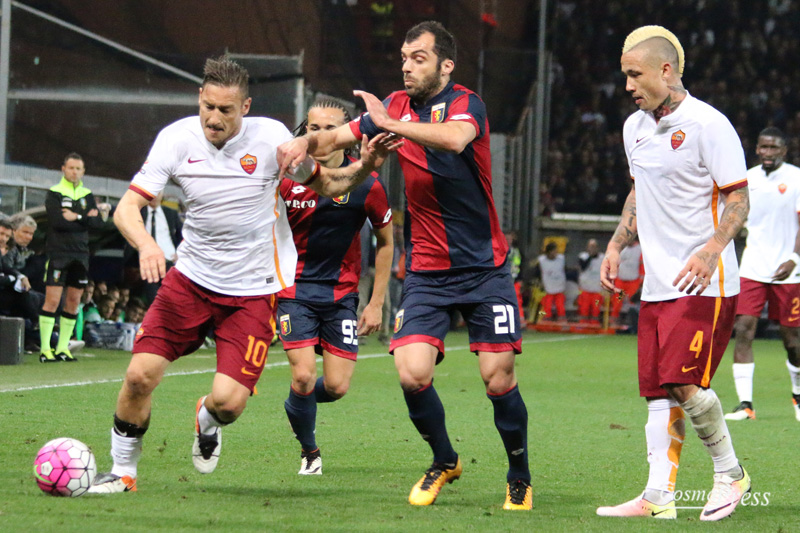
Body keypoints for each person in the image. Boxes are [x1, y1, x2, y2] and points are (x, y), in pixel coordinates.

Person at [88, 56, 394, 494]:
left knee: (229, 404)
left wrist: (365, 166)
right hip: (189, 281)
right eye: (208, 106)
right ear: (200, 97)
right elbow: (126, 209)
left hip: (253, 293)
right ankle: (123, 472)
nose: (214, 118)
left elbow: (328, 186)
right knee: (139, 376)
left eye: (226, 110)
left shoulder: (271, 139)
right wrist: (148, 244)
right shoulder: (175, 139)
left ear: (245, 107)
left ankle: (207, 419)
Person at [278, 21, 532, 510]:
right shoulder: (392, 105)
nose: (407, 65)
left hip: (484, 267)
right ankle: (444, 460)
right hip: (429, 272)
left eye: (419, 57)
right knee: (412, 373)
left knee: (497, 377)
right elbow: (338, 136)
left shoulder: (465, 103)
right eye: (404, 57)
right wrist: (301, 146)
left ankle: (518, 473)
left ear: (445, 64)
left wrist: (388, 123)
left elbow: (455, 140)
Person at [596, 26, 751, 522]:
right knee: (659, 393)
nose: (627, 86)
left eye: (634, 74)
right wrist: (618, 243)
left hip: (705, 281)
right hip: (659, 284)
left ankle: (731, 474)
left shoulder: (709, 124)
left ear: (666, 70)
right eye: (625, 76)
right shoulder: (633, 127)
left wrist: (711, 249)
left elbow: (738, 198)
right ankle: (658, 498)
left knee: (684, 383)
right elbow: (639, 191)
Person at [277, 99, 394, 475]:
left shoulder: (366, 184)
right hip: (293, 292)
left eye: (329, 129)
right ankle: (310, 451)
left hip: (341, 296)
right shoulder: (284, 179)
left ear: (346, 136)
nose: (319, 136)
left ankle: (298, 402)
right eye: (312, 129)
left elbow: (387, 242)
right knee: (303, 374)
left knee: (338, 386)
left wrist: (376, 302)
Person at [726, 127, 800, 423]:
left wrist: (794, 258)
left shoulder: (796, 177)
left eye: (773, 147)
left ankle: (797, 394)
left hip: (789, 270)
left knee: (793, 340)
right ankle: (745, 404)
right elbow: (736, 216)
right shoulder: (748, 179)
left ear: (784, 150)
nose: (767, 152)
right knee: (743, 328)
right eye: (763, 147)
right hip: (753, 266)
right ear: (757, 149)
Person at [38, 153, 110, 363]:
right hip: (59, 253)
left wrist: (76, 216)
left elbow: (98, 225)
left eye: (79, 169)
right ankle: (45, 350)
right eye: (71, 168)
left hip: (81, 254)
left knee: (74, 301)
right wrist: (85, 217)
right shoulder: (54, 193)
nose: (75, 172)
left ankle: (63, 348)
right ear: (63, 169)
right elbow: (58, 222)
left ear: (83, 171)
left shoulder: (87, 194)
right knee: (52, 301)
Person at [123, 191, 183, 305]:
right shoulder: (139, 212)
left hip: (168, 263)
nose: (155, 196)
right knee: (153, 300)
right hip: (148, 264)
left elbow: (184, 235)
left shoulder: (171, 214)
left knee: (172, 299)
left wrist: (181, 252)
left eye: (158, 193)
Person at [610, 238, 643, 322]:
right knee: (617, 301)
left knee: (632, 302)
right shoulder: (621, 248)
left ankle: (632, 321)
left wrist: (641, 281)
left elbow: (642, 265)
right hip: (620, 280)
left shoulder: (640, 249)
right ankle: (614, 321)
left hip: (633, 281)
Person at [536, 242, 566, 321]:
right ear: (549, 252)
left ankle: (562, 320)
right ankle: (546, 319)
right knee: (547, 306)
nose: (556, 253)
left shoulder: (561, 259)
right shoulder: (542, 260)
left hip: (559, 288)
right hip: (548, 288)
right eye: (554, 251)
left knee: (560, 306)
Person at [577, 238, 604, 323]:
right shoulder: (582, 256)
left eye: (594, 247)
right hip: (585, 289)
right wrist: (590, 256)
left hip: (597, 290)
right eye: (590, 247)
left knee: (596, 309)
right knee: (584, 308)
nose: (592, 249)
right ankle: (583, 325)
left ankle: (594, 325)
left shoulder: (602, 257)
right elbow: (583, 267)